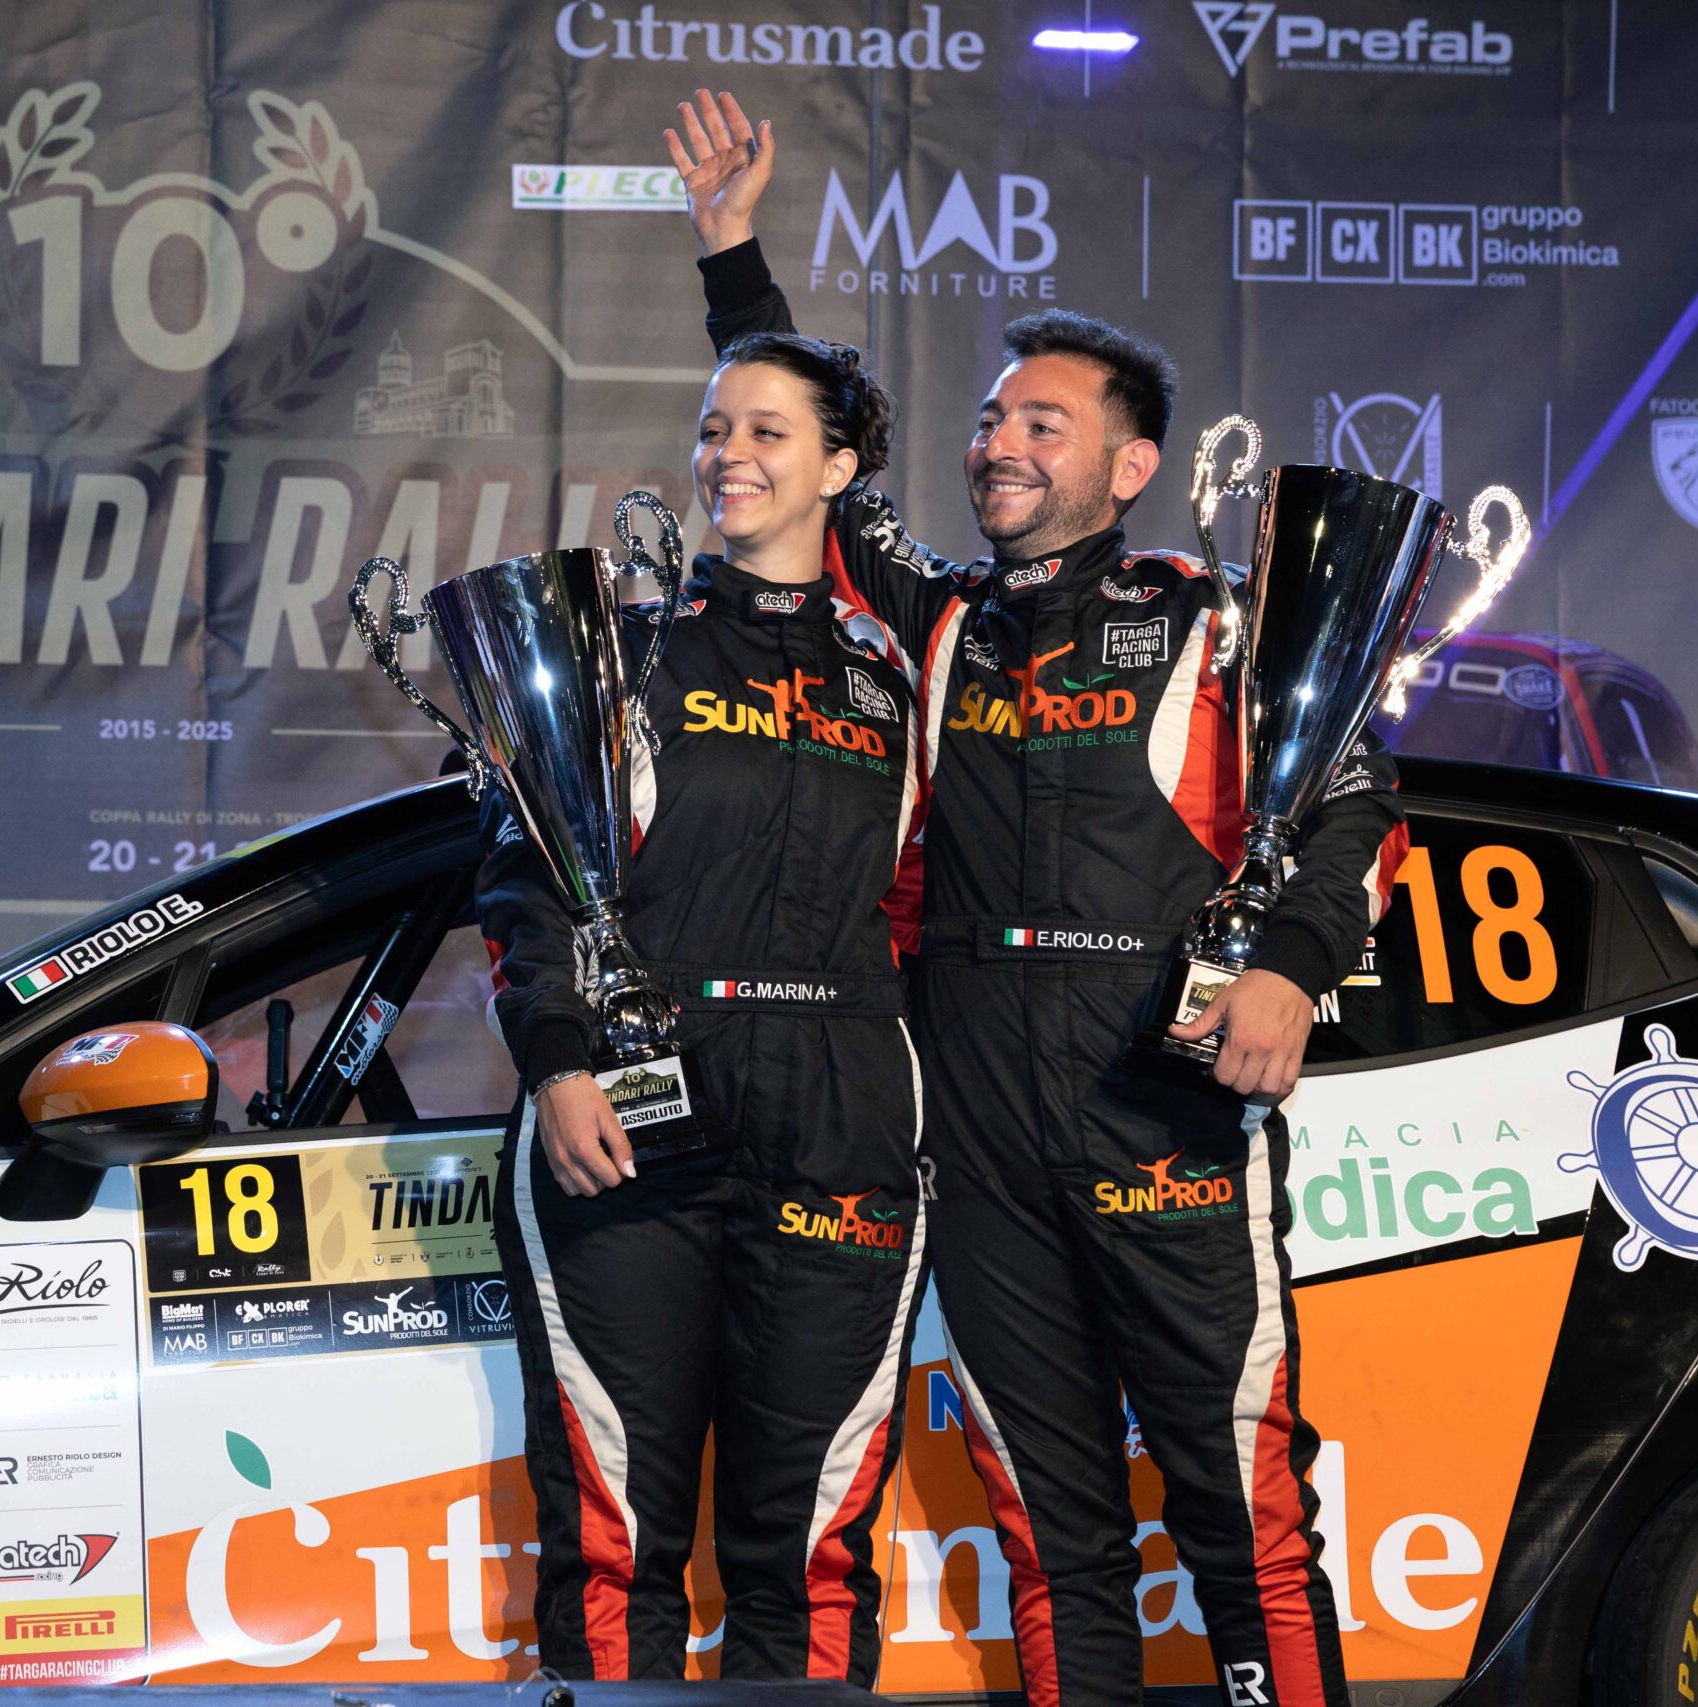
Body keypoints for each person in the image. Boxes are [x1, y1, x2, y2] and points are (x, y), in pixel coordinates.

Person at [661, 91, 1409, 1707]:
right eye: (994, 419)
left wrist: (1288, 968)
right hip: (979, 1125)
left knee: (1239, 1508)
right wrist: (732, 255)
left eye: (1043, 425)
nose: (999, 443)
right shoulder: (938, 617)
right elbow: (818, 460)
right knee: (1052, 1527)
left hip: (1161, 1102)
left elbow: (1353, 806)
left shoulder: (1212, 619)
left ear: (1130, 466)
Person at [482, 328, 929, 1683]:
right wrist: (558, 1060)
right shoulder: (621, 651)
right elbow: (528, 881)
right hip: (628, 1119)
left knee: (809, 1544)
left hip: (842, 1116)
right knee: (615, 1537)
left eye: (767, 431)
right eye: (715, 428)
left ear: (839, 470)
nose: (729, 453)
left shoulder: (907, 668)